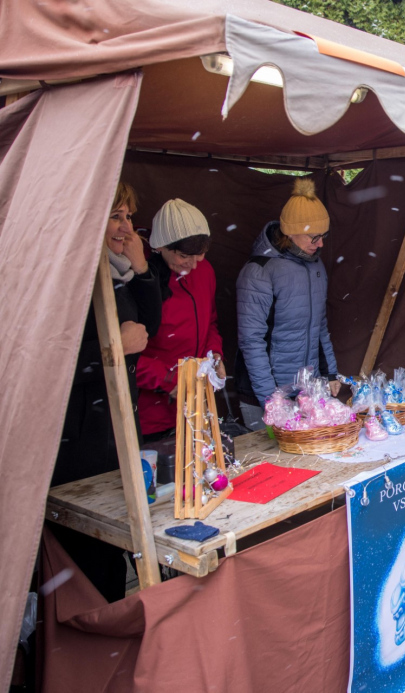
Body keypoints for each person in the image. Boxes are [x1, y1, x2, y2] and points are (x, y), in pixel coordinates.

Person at [52, 181, 163, 602]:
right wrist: (111, 350)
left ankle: (114, 637)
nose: (126, 227)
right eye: (115, 216)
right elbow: (50, 363)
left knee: (116, 548)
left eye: (129, 217)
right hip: (78, 441)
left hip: (117, 433)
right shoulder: (69, 277)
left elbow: (148, 327)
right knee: (83, 561)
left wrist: (143, 271)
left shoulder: (119, 273)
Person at [236, 177, 340, 428]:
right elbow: (251, 341)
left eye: (323, 236)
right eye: (314, 237)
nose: (321, 243)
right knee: (274, 464)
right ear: (291, 232)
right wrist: (271, 400)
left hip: (307, 393)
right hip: (265, 395)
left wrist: (330, 374)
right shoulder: (259, 270)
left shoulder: (316, 266)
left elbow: (319, 326)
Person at [136, 199, 225, 439]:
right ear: (160, 247)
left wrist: (214, 354)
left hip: (196, 405)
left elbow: (211, 324)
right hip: (152, 414)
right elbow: (127, 356)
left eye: (201, 255)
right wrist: (168, 381)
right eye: (185, 256)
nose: (193, 264)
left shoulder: (204, 271)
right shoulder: (141, 279)